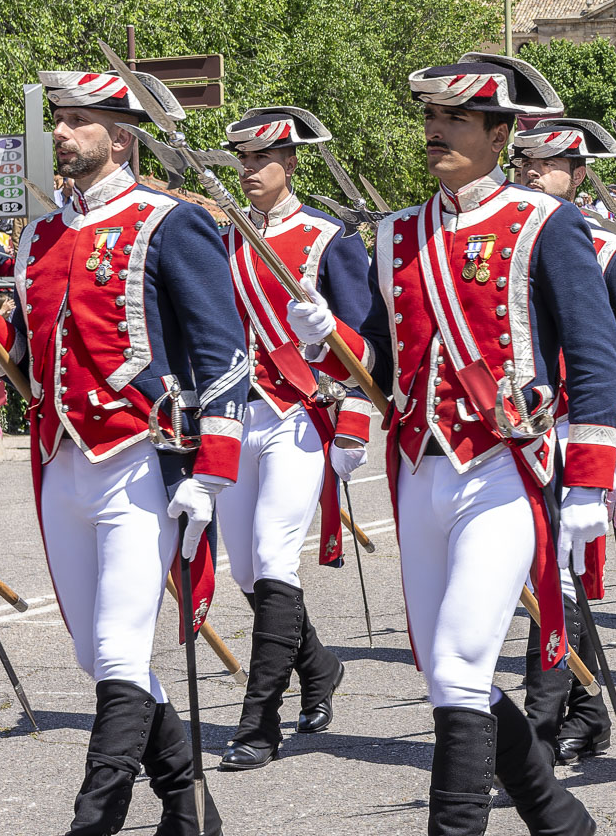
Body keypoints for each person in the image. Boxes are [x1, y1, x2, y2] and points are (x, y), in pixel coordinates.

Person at [294, 53, 616, 836]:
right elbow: (380, 355)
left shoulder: (547, 223)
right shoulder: (394, 234)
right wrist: (329, 336)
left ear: (501, 134)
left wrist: (588, 485)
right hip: (418, 469)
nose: (435, 131)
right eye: (431, 119)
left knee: (462, 663)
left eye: (457, 120)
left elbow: (596, 350)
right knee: (446, 674)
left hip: (504, 469)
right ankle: (557, 816)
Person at [0, 68, 247, 836]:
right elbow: (32, 355)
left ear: (123, 134)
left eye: (78, 120)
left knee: (116, 648)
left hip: (142, 456)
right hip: (63, 461)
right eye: (59, 119)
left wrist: (212, 470)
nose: (63, 133)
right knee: (94, 655)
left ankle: (93, 821)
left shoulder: (169, 221)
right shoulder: (40, 235)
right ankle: (188, 803)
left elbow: (223, 352)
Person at [212, 107, 372, 772]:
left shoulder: (327, 238)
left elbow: (366, 343)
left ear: (292, 164)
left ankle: (258, 723)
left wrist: (357, 423)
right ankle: (320, 666)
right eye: (243, 160)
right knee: (245, 571)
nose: (249, 171)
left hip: (300, 413)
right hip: (235, 416)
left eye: (262, 160)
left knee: (276, 556)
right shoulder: (226, 242)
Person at [508, 117, 616, 765]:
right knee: (542, 581)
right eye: (522, 163)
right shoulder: (510, 242)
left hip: (587, 436)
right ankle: (589, 709)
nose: (528, 175)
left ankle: (540, 730)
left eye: (544, 167)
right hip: (525, 435)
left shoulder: (611, 252)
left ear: (577, 178)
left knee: (559, 584)